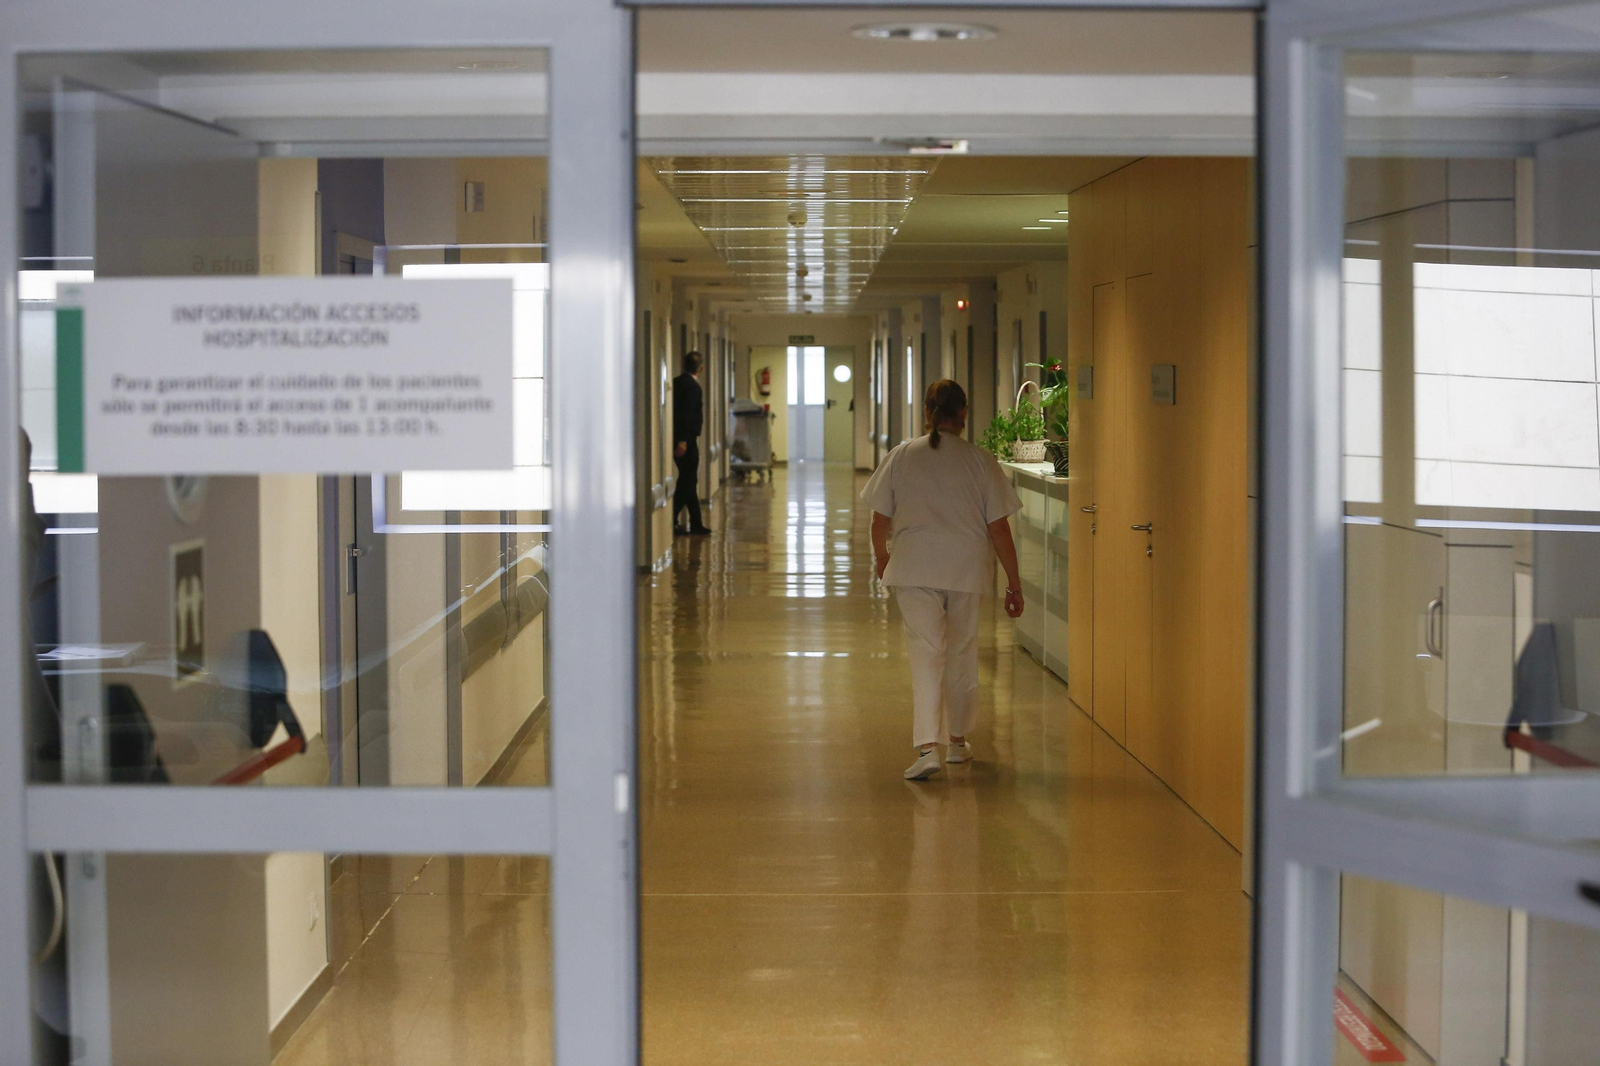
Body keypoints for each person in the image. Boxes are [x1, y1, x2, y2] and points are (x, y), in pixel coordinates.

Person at [861, 379, 1025, 780]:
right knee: (962, 652)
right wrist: (1013, 584)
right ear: (964, 414)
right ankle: (956, 742)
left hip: (914, 568)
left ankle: (925, 749)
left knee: (926, 654)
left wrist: (883, 558)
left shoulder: (902, 455)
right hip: (965, 569)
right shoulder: (980, 460)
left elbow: (879, 520)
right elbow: (1000, 529)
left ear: (927, 413)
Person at [672, 350, 711, 536]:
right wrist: (684, 441)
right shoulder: (693, 387)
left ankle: (695, 522)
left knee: (688, 480)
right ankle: (672, 518)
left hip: (679, 437)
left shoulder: (677, 383)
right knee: (687, 482)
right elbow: (687, 415)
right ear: (700, 369)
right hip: (687, 440)